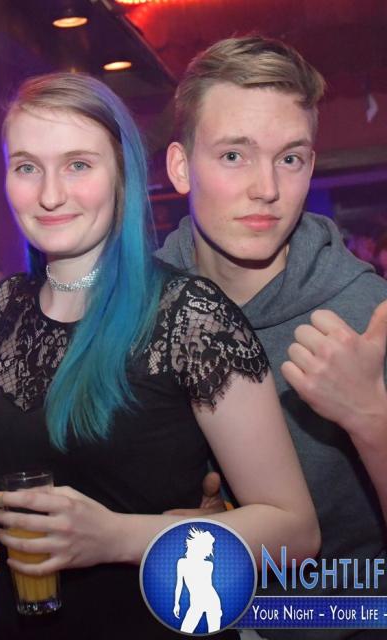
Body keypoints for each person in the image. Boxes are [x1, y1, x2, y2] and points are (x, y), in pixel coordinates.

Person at [0, 72, 319, 640]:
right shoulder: (1, 311)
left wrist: (117, 537)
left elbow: (294, 533)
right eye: (27, 167)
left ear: (122, 176)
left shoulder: (189, 316)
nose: (50, 194)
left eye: (78, 165)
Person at [155, 35, 387, 639]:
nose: (267, 187)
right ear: (180, 168)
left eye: (290, 158)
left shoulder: (366, 314)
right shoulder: (138, 316)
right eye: (235, 155)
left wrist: (371, 418)